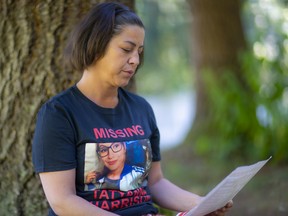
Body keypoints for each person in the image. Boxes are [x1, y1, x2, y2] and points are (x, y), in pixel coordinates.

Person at [32, 2, 233, 216]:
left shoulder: (141, 109)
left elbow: (156, 183)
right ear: (96, 44)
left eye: (139, 52)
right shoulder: (59, 114)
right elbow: (62, 201)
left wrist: (202, 203)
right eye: (126, 49)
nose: (135, 60)